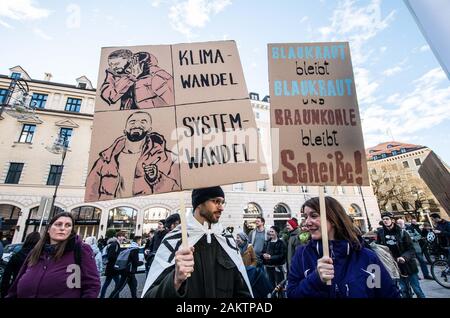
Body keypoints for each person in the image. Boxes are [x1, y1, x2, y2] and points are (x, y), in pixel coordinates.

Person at [142, 186, 252, 298]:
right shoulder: (174, 240)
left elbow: (241, 290)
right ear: (199, 203)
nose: (221, 207)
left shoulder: (227, 240)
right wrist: (175, 280)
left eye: (223, 202)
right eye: (216, 201)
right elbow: (150, 294)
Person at [287, 197, 399, 298]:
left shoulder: (367, 257)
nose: (307, 222)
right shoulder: (301, 255)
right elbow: (292, 294)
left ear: (333, 219)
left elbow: (386, 293)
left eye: (314, 215)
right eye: (305, 217)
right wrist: (315, 279)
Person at [85, 111, 180, 201]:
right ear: (124, 129)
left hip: (143, 209)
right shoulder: (105, 159)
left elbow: (176, 190)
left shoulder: (167, 158)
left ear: (150, 129)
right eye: (132, 122)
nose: (137, 125)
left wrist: (157, 178)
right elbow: (91, 191)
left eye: (143, 121)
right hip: (112, 209)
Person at [6, 212, 100, 298]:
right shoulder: (35, 252)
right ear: (48, 229)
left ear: (71, 231)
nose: (62, 228)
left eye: (68, 225)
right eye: (58, 224)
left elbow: (92, 285)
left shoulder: (80, 250)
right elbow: (16, 284)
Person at [100, 49, 174, 110]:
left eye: (116, 64)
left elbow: (172, 98)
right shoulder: (114, 74)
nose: (113, 68)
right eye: (110, 65)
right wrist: (131, 78)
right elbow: (109, 97)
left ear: (130, 60)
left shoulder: (153, 72)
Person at [377, 212, 426, 298]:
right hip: (395, 266)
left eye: (387, 219)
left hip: (408, 265)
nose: (385, 221)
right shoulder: (381, 234)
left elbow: (411, 250)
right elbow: (380, 248)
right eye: (383, 219)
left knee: (417, 289)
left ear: (392, 220)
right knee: (403, 290)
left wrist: (404, 257)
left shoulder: (402, 232)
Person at [0, 232, 40, 298]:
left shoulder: (17, 255)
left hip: (15, 287)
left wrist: (4, 292)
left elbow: (6, 276)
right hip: (32, 290)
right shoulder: (40, 257)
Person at [99, 232, 125, 298]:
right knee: (117, 283)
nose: (123, 238)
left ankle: (103, 296)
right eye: (122, 236)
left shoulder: (116, 244)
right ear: (118, 237)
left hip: (111, 268)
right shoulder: (115, 244)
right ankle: (115, 296)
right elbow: (111, 256)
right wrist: (118, 257)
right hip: (113, 268)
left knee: (107, 283)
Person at [261, 226, 286, 290]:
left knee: (280, 286)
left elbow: (282, 255)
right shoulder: (267, 242)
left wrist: (270, 257)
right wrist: (263, 255)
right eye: (270, 231)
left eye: (272, 231)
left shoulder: (281, 243)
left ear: (276, 233)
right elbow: (262, 252)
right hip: (268, 267)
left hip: (277, 267)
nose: (270, 233)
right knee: (270, 286)